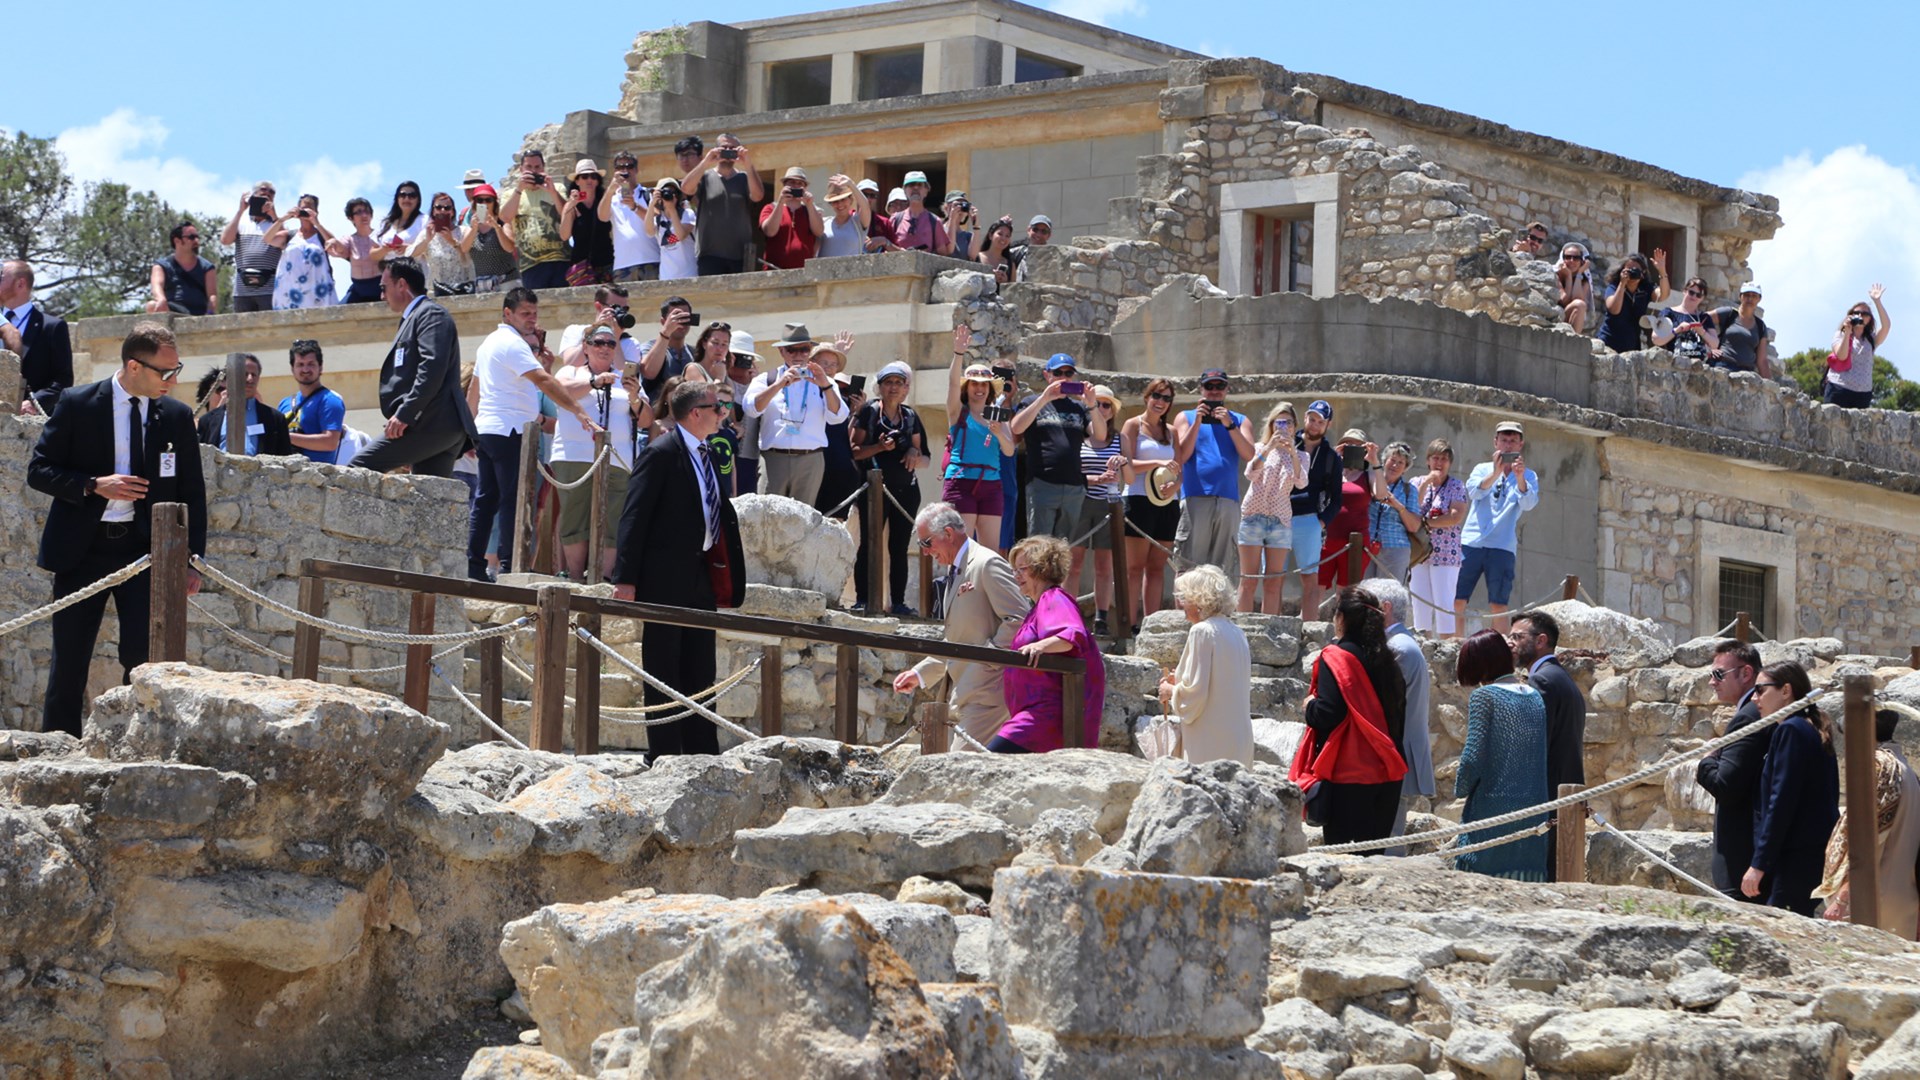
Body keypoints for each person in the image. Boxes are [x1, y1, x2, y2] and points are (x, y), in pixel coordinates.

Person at [29, 322, 205, 736]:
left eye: (176, 368)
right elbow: (39, 471)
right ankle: (59, 747)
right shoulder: (78, 403)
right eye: (165, 372)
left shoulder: (176, 417)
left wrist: (191, 561)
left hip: (144, 552)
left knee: (141, 660)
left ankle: (135, 744)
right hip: (81, 550)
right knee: (69, 660)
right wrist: (93, 485)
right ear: (133, 366)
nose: (173, 380)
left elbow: (192, 493)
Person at [611, 380, 747, 760]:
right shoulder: (661, 453)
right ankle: (666, 754)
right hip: (663, 577)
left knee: (701, 668)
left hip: (700, 574)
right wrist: (625, 578)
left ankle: (702, 752)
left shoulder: (707, 451)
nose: (723, 413)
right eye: (716, 407)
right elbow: (634, 517)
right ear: (695, 413)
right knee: (663, 667)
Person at [468, 287, 604, 580]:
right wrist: (579, 412)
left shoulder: (488, 343)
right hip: (510, 431)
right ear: (508, 313)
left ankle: (475, 566)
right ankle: (509, 565)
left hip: (490, 431)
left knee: (487, 499)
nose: (531, 319)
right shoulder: (513, 344)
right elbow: (543, 379)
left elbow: (473, 393)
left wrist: (469, 433)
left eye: (534, 313)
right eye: (525, 314)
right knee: (512, 500)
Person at [892, 502, 1030, 749]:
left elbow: (1019, 618)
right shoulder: (956, 569)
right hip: (963, 693)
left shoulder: (986, 563)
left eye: (927, 543)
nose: (925, 552)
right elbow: (958, 638)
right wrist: (920, 674)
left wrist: (988, 660)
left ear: (948, 533)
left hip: (986, 695)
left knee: (957, 774)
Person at [1292, 586, 1408, 842]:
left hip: (1350, 775)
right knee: (1374, 857)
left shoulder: (1336, 658)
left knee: (1344, 862)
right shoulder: (1389, 662)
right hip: (1389, 773)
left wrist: (1309, 705)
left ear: (1341, 618)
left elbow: (1328, 714)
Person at [348, 257, 478, 479]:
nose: (381, 296)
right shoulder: (415, 318)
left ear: (401, 284)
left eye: (383, 287)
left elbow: (431, 368)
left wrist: (405, 414)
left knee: (356, 470)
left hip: (431, 424)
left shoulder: (430, 314)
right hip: (433, 426)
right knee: (430, 501)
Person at [553, 324, 652, 581]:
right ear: (585, 347)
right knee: (575, 515)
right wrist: (593, 382)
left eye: (611, 343)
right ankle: (575, 576)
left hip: (617, 458)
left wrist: (634, 398)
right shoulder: (570, 371)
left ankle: (604, 577)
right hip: (574, 455)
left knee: (614, 517)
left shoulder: (624, 378)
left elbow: (646, 421)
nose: (605, 348)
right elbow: (560, 393)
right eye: (599, 342)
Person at [1742, 661, 1841, 915]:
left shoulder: (1791, 730)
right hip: (1812, 852)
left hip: (1797, 855)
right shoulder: (1810, 726)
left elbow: (1781, 800)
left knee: (1781, 926)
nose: (1754, 698)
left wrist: (1759, 864)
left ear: (1786, 691)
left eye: (1761, 690)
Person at [1452, 629, 1551, 881]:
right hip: (1533, 809)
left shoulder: (1485, 697)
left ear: (1480, 664)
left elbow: (1473, 756)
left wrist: (1460, 788)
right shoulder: (1535, 697)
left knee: (1479, 882)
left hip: (1494, 809)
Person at [1815, 706, 1920, 937]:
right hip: (1901, 900)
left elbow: (1868, 841)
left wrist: (1842, 899)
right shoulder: (1906, 770)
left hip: (1869, 902)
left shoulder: (1879, 769)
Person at [998, 535, 1105, 752]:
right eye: (1014, 570)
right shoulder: (1036, 607)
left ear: (1041, 568)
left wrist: (1040, 646)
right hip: (1032, 712)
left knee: (993, 759)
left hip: (1045, 716)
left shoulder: (1053, 598)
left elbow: (1070, 636)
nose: (1016, 575)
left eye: (1022, 569)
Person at [1510, 609, 1586, 879]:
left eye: (1518, 637)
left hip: (1547, 795)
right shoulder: (1560, 677)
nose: (1512, 643)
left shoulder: (1542, 680)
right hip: (1560, 793)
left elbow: (1531, 743)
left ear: (1541, 640)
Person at [851, 361, 927, 615]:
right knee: (869, 543)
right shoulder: (869, 413)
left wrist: (914, 453)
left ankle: (898, 602)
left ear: (905, 388)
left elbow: (925, 457)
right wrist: (880, 448)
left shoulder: (911, 416)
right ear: (880, 387)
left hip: (905, 490)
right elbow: (855, 451)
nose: (893, 388)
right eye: (888, 382)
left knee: (899, 547)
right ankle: (864, 599)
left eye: (898, 383)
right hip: (873, 490)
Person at [1157, 564, 1254, 765]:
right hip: (1238, 740)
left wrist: (1169, 690)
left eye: (1185, 598)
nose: (1182, 604)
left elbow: (1195, 695)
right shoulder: (1237, 633)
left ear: (1200, 600)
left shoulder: (1201, 632)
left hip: (1210, 741)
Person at [1695, 640, 1767, 900]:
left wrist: (1707, 760)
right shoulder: (1754, 712)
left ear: (1746, 673)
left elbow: (1726, 786)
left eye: (1718, 674)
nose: (1712, 682)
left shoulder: (1748, 716)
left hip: (1743, 855)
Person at [1367, 578, 1434, 855]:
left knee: (1388, 840)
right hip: (1395, 755)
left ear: (1384, 608)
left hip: (1395, 757)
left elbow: (1384, 705)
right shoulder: (1399, 643)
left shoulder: (1399, 648)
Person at [744, 325, 847, 504]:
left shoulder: (825, 381)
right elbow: (751, 408)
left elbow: (838, 416)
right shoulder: (766, 379)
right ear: (782, 351)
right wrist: (778, 384)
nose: (798, 355)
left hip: (810, 459)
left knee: (803, 522)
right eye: (792, 350)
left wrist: (825, 385)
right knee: (769, 520)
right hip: (774, 459)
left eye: (804, 349)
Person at [1454, 420, 1539, 634]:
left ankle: (1501, 647)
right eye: (1504, 440)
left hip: (1502, 546)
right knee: (1458, 597)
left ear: (1521, 444)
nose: (1507, 445)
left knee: (1499, 603)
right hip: (1471, 541)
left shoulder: (1529, 475)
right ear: (1495, 442)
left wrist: (1519, 477)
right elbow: (1473, 492)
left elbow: (1529, 504)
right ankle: (1453, 642)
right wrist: (1495, 471)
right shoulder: (1482, 468)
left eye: (1512, 441)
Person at [1173, 369, 1256, 586]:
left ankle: (1218, 616)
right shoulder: (1186, 417)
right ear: (1201, 389)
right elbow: (1181, 455)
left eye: (1220, 386)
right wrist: (1198, 422)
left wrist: (1230, 425)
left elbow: (1249, 454)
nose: (1214, 392)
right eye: (1209, 386)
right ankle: (1185, 617)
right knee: (1189, 564)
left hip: (1228, 500)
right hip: (1195, 498)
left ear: (1227, 390)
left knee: (1223, 567)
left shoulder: (1240, 420)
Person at [1013, 353, 1106, 539]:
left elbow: (1100, 435)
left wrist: (1092, 404)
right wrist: (1044, 399)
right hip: (1042, 484)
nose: (1063, 377)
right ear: (1047, 375)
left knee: (1064, 548)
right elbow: (1016, 427)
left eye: (1069, 373)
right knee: (1039, 546)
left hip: (1073, 486)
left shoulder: (1078, 407)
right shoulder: (1032, 402)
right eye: (1058, 373)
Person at [941, 326, 1016, 547]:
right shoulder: (958, 412)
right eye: (974, 383)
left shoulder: (998, 414)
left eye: (984, 384)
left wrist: (999, 433)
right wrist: (958, 353)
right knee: (959, 550)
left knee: (990, 552)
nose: (979, 389)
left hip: (992, 483)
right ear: (968, 387)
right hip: (961, 481)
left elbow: (1009, 450)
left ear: (990, 388)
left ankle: (980, 584)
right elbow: (953, 383)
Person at [1237, 401, 1308, 614]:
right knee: (1248, 580)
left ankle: (1268, 630)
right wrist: (1269, 448)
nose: (1283, 427)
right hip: (1253, 516)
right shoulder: (1260, 448)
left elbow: (1301, 482)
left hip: (1280, 521)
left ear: (1294, 426)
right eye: (1279, 422)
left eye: (1288, 422)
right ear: (1272, 424)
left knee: (1273, 583)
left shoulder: (1302, 456)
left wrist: (1293, 453)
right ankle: (1242, 629)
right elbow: (1250, 473)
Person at [1070, 386, 1130, 636]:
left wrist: (1123, 463)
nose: (1102, 409)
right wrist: (1095, 478)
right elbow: (1072, 474)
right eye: (1099, 404)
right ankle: (1070, 613)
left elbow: (1131, 477)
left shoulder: (1120, 439)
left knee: (1104, 565)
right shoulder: (1079, 436)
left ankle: (1101, 618)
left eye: (1107, 405)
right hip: (1082, 502)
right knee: (1074, 562)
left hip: (1109, 504)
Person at [1122, 379, 1181, 627]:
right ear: (1147, 397)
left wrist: (1175, 486)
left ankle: (1151, 625)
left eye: (1167, 398)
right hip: (1137, 498)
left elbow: (1179, 469)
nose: (1161, 402)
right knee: (1134, 567)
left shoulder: (1172, 431)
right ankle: (1128, 623)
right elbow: (1127, 464)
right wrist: (1157, 463)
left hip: (1166, 502)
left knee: (1157, 568)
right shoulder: (1133, 425)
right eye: (1157, 396)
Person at [683, 133, 765, 276]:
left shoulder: (744, 178)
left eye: (732, 148)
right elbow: (686, 188)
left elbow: (758, 196)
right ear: (716, 150)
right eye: (723, 148)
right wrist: (706, 161)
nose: (728, 151)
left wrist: (747, 163)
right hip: (709, 254)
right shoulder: (705, 176)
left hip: (740, 256)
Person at [1409, 439, 1468, 636]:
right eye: (1435, 458)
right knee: (1420, 601)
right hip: (1419, 553)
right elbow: (1410, 506)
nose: (1439, 463)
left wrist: (1424, 523)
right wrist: (1427, 481)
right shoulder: (1416, 482)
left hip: (1445, 553)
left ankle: (1446, 646)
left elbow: (1455, 516)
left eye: (1444, 459)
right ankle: (1422, 643)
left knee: (1444, 602)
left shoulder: (1456, 486)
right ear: (1428, 461)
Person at [0, 260, 74, 414]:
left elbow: (63, 379)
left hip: (29, 426)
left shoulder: (52, 327)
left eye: (0, 278)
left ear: (20, 284)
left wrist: (34, 403)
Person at [1292, 400, 1343, 620]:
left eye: (1320, 422)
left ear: (1327, 425)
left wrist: (1320, 522)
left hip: (1309, 520)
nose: (1314, 425)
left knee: (1310, 579)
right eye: (1311, 419)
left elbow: (1336, 497)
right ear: (1305, 418)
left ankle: (1308, 629)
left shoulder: (1331, 457)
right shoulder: (1288, 444)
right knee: (1271, 576)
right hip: (1279, 517)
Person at [1316, 429, 1376, 600]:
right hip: (1327, 538)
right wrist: (1331, 457)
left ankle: (1342, 625)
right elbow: (1312, 483)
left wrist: (1375, 461)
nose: (1352, 448)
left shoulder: (1368, 475)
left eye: (1358, 445)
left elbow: (1380, 494)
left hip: (1355, 542)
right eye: (1348, 444)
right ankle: (1309, 623)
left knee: (1346, 591)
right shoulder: (1331, 471)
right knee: (1316, 584)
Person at [195, 354, 293, 456]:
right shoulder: (207, 421)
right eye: (245, 374)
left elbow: (285, 456)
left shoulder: (275, 419)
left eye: (254, 375)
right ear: (231, 377)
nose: (250, 379)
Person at [501, 151, 570, 290]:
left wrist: (552, 192)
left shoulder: (557, 188)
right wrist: (519, 189)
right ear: (521, 169)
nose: (533, 171)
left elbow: (566, 214)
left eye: (537, 167)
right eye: (529, 167)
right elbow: (505, 217)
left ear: (544, 168)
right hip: (530, 264)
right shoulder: (510, 194)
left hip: (561, 260)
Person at [261, 193, 339, 310]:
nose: (305, 211)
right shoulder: (290, 236)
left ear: (316, 211)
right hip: (291, 295)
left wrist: (316, 223)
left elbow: (335, 245)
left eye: (309, 208)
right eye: (302, 208)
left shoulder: (321, 236)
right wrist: (283, 219)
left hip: (318, 294)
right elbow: (267, 239)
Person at [279, 340, 348, 465]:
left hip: (316, 477)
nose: (305, 369)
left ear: (320, 368)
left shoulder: (330, 400)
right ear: (292, 369)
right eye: (300, 364)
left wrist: (287, 437)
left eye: (311, 364)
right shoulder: (284, 403)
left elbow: (330, 442)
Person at [1824, 285, 1892, 409]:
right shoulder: (1840, 335)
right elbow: (1842, 355)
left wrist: (1877, 302)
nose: (1860, 316)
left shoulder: (1871, 340)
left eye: (1865, 313)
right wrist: (1847, 332)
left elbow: (1886, 326)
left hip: (1862, 393)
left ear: (1869, 319)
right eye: (1856, 313)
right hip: (1839, 388)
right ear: (1850, 316)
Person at [221, 182, 280, 313]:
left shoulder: (275, 224)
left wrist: (274, 215)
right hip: (242, 290)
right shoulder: (242, 222)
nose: (267, 193)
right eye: (263, 190)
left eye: (271, 193)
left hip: (269, 289)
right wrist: (241, 210)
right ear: (253, 195)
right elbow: (225, 240)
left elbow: (286, 242)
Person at [1596, 249, 1670, 353]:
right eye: (1629, 270)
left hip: (1632, 346)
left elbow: (1663, 295)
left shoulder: (1645, 289)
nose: (1632, 273)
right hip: (1608, 342)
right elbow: (1614, 310)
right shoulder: (1614, 287)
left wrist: (1662, 271)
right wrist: (1622, 284)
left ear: (1643, 273)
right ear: (1622, 271)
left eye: (1636, 270)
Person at [1368, 442, 1421, 584]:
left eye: (1401, 463)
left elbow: (1414, 526)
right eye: (1392, 460)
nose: (1395, 465)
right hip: (1367, 546)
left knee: (1390, 596)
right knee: (1364, 595)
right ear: (1385, 461)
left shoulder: (1409, 490)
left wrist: (1398, 506)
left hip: (1395, 547)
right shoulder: (1370, 478)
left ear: (1405, 468)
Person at [602, 152, 658, 282]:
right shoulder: (612, 197)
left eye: (629, 166)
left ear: (636, 169)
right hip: (623, 266)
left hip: (651, 260)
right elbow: (602, 217)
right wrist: (610, 189)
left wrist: (635, 207)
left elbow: (657, 219)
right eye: (620, 167)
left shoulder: (647, 194)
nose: (625, 171)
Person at [408, 192, 477, 295]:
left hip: (462, 291)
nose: (443, 211)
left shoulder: (463, 231)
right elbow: (411, 255)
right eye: (438, 207)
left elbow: (466, 258)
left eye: (447, 208)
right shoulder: (426, 234)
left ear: (453, 212)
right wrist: (427, 240)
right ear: (433, 211)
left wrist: (452, 241)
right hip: (436, 292)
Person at [146, 222, 218, 316]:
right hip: (172, 310)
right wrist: (161, 299)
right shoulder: (161, 266)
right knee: (151, 306)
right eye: (191, 237)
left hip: (199, 313)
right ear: (177, 241)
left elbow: (212, 296)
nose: (196, 241)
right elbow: (156, 286)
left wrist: (209, 314)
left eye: (197, 237)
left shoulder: (207, 267)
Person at [559, 160, 614, 284]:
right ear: (577, 181)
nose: (589, 180)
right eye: (584, 177)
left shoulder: (605, 201)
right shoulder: (571, 206)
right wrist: (571, 206)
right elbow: (564, 235)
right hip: (581, 266)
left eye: (593, 176)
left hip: (606, 262)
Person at [1706, 283, 1774, 379]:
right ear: (1740, 297)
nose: (1750, 299)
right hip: (1723, 368)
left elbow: (1762, 360)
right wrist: (1707, 348)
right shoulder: (1729, 314)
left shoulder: (1760, 326)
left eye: (1754, 296)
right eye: (1747, 295)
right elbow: (1702, 320)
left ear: (1759, 299)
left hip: (1747, 375)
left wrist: (1770, 388)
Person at [760, 167, 823, 270]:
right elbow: (770, 231)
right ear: (784, 185)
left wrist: (810, 204)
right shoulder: (770, 208)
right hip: (774, 270)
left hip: (804, 272)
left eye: (800, 183)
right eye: (792, 182)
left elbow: (819, 231)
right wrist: (781, 202)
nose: (796, 186)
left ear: (805, 188)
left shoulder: (810, 210)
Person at [328, 197, 388, 305]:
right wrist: (334, 242)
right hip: (359, 288)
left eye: (367, 211)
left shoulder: (382, 236)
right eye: (359, 212)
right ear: (351, 218)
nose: (364, 215)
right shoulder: (349, 239)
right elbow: (342, 249)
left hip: (379, 286)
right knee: (339, 312)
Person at [723, 332, 762, 496]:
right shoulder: (720, 380)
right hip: (725, 454)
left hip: (750, 456)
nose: (739, 364)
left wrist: (758, 382)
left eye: (745, 359)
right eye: (735, 358)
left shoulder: (759, 384)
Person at [880, 171, 953, 255]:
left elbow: (943, 254)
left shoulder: (934, 221)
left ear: (926, 191)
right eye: (911, 185)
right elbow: (885, 250)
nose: (915, 188)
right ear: (904, 190)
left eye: (919, 185)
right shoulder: (896, 219)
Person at [1651, 276, 1720, 366]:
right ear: (1684, 291)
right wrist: (1677, 330)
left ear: (1702, 298)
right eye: (1691, 292)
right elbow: (1656, 339)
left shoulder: (1705, 317)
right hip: (1675, 365)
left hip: (1699, 366)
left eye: (1698, 295)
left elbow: (1715, 344)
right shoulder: (1668, 313)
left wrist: (1702, 332)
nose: (1694, 297)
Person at [815, 175, 872, 260]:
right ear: (831, 204)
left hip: (851, 272)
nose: (840, 204)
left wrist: (851, 184)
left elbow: (865, 206)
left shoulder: (858, 223)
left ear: (851, 200)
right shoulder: (824, 223)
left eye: (843, 199)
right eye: (835, 201)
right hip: (824, 272)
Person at [374, 180, 428, 252]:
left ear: (418, 200)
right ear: (397, 199)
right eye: (402, 195)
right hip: (387, 262)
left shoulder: (425, 220)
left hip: (412, 262)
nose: (407, 199)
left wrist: (409, 248)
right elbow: (373, 254)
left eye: (412, 195)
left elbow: (430, 248)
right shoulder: (386, 223)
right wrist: (384, 250)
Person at [1553, 243, 1593, 333]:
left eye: (1576, 258)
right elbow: (1564, 300)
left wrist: (1579, 273)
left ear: (1581, 261)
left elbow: (1577, 299)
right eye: (1568, 257)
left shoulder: (1584, 281)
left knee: (1580, 304)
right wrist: (1568, 277)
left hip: (1569, 318)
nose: (1572, 261)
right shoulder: (1556, 276)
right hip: (1555, 317)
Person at [1006, 215, 1052, 283]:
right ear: (1028, 230)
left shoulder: (1053, 257)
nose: (1038, 234)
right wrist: (1001, 225)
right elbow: (996, 251)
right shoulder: (1018, 251)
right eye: (1035, 229)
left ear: (1049, 235)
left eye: (1044, 231)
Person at [977, 217, 1017, 283]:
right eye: (1000, 234)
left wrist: (1005, 283)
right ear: (990, 235)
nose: (1003, 238)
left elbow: (1012, 290)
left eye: (1007, 236)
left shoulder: (1011, 264)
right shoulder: (977, 257)